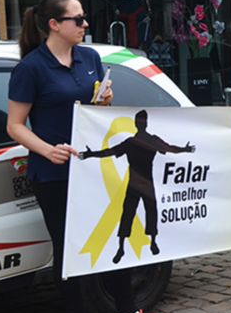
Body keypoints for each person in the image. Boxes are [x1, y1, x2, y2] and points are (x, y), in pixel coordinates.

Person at [7, 0, 170, 313]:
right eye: (77, 19)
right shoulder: (31, 68)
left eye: (83, 19)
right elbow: (15, 126)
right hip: (54, 174)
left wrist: (104, 103)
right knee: (71, 250)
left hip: (92, 170)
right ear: (54, 24)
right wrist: (46, 149)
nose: (84, 25)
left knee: (113, 238)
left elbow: (91, 111)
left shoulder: (90, 57)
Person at [79, 110, 196, 264]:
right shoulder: (144, 141)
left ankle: (126, 246)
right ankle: (143, 244)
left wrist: (90, 154)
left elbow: (110, 152)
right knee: (145, 211)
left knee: (131, 212)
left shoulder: (132, 142)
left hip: (136, 182)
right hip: (143, 182)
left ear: (137, 124)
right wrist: (185, 149)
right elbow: (169, 148)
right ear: (144, 123)